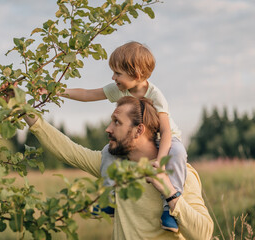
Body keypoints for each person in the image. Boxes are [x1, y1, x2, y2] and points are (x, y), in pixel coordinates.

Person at [13, 94, 214, 239]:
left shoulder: (180, 173)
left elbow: (204, 234)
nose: (108, 129)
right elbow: (68, 150)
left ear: (139, 130)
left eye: (117, 122)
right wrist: (22, 108)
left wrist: (170, 193)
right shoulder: (115, 167)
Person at [39, 41, 187, 232]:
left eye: (118, 73)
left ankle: (170, 209)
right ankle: (110, 198)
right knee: (109, 152)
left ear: (137, 75)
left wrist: (160, 160)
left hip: (166, 138)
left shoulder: (155, 95)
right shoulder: (119, 89)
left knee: (178, 152)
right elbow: (87, 94)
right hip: (138, 138)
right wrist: (56, 90)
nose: (113, 77)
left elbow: (166, 131)